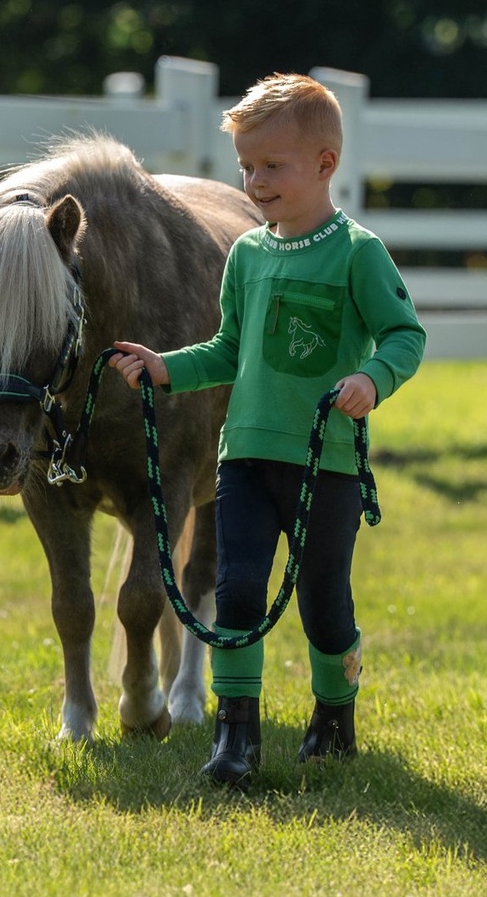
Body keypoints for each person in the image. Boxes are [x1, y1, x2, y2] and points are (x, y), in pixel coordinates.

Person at [109, 72, 426, 790]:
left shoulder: (357, 253)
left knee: (323, 604)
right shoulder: (247, 256)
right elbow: (228, 349)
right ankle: (236, 734)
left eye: (271, 166)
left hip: (323, 465)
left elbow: (405, 335)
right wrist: (165, 367)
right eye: (245, 167)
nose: (253, 182)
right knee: (238, 591)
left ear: (324, 164)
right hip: (244, 461)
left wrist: (371, 379)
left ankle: (334, 714)